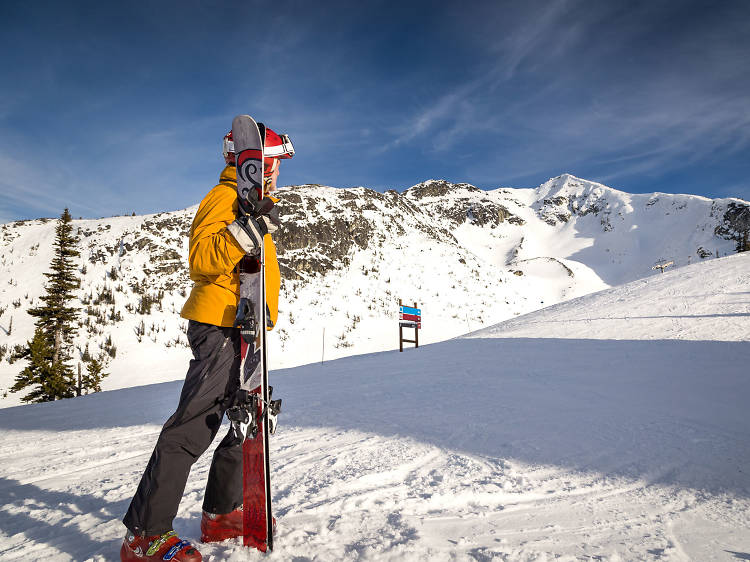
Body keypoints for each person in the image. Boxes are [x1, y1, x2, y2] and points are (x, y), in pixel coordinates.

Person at [120, 123, 294, 562]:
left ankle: (220, 514)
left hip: (244, 327)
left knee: (244, 419)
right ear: (260, 163)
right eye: (276, 165)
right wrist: (244, 231)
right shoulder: (224, 198)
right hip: (218, 326)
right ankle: (144, 535)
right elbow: (202, 259)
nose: (278, 175)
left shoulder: (251, 204)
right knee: (192, 426)